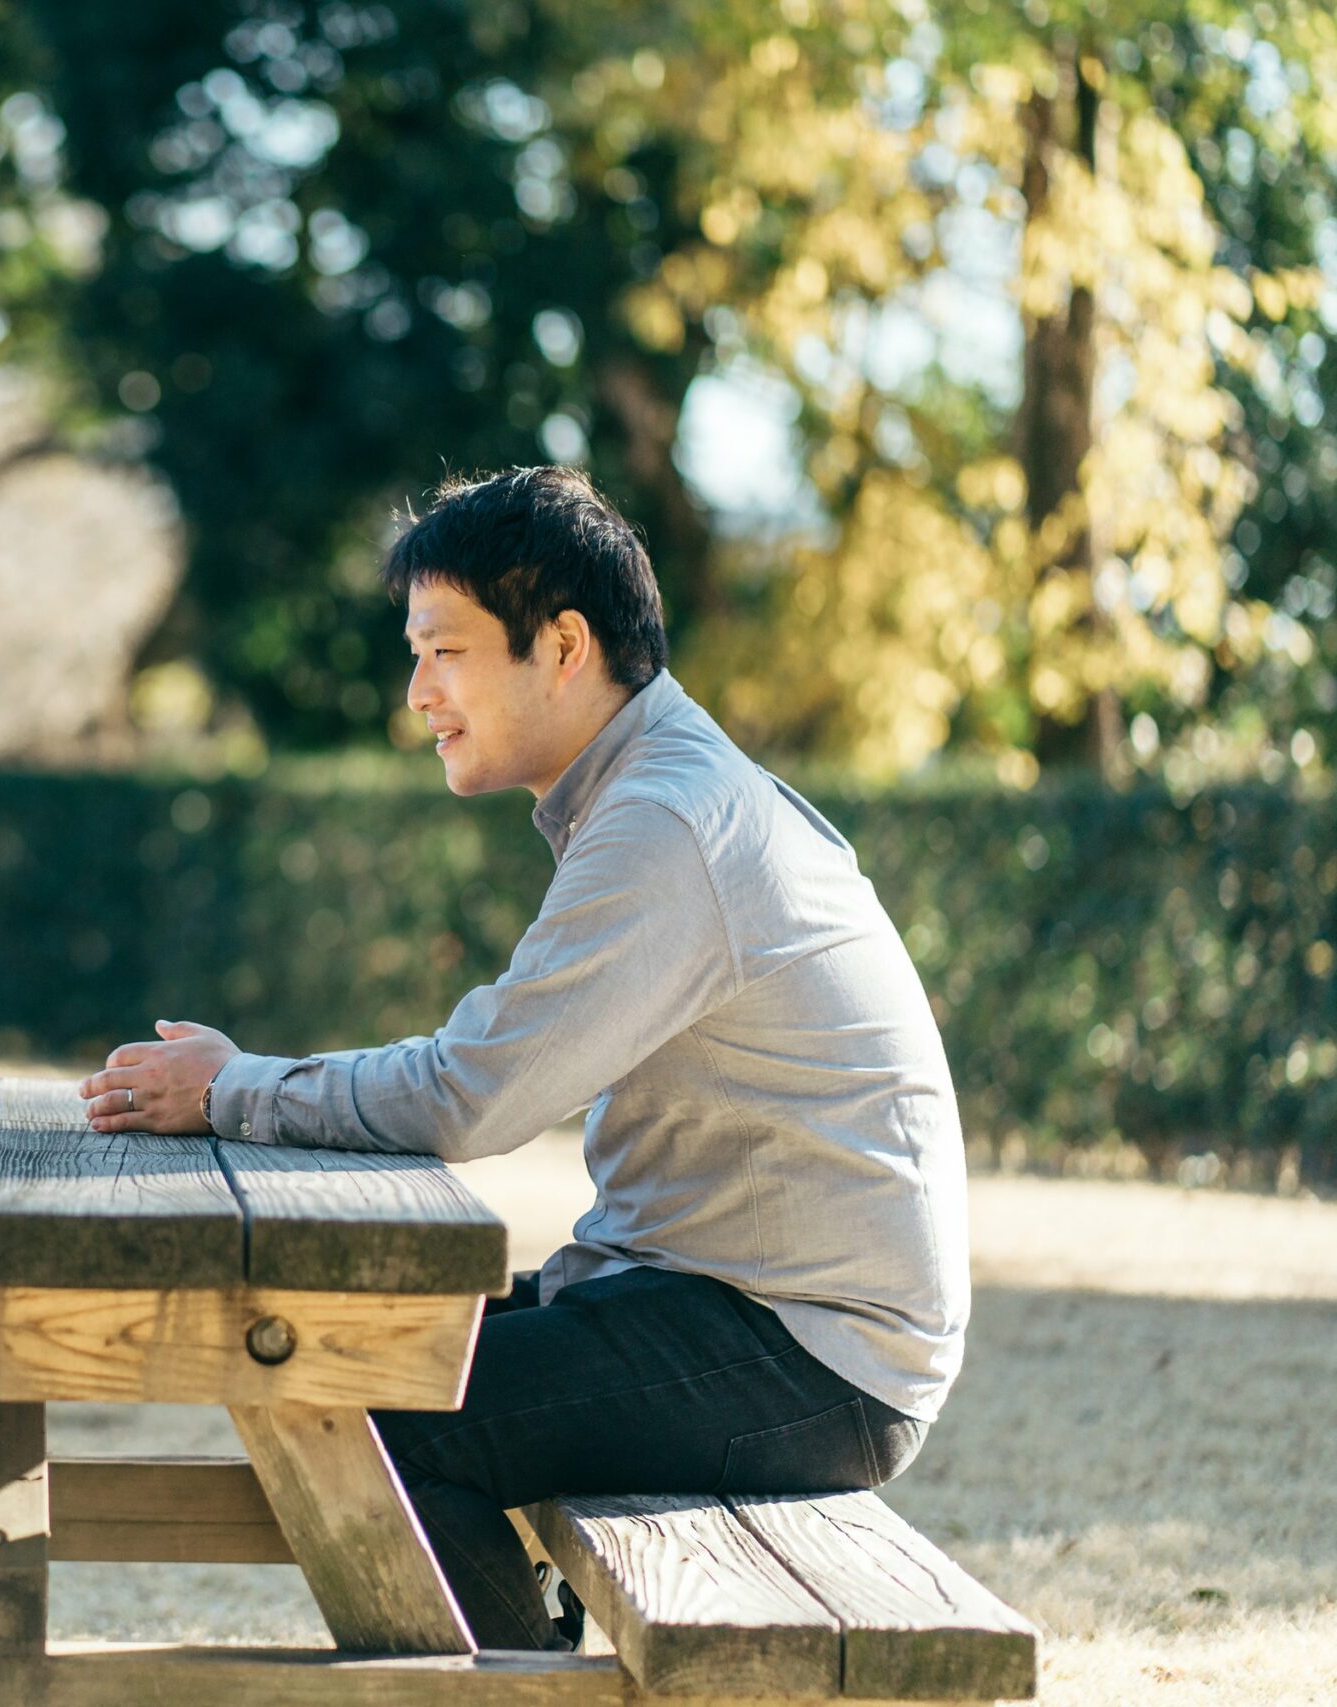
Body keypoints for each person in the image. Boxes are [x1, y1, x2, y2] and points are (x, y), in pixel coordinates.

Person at [76, 466, 967, 1651]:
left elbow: (468, 1095)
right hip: (722, 1304)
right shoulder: (657, 793)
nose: (418, 693)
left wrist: (233, 1089)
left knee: (381, 1418)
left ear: (560, 646)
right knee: (366, 1347)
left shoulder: (666, 820)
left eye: (443, 651)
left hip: (808, 1352)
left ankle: (511, 1684)